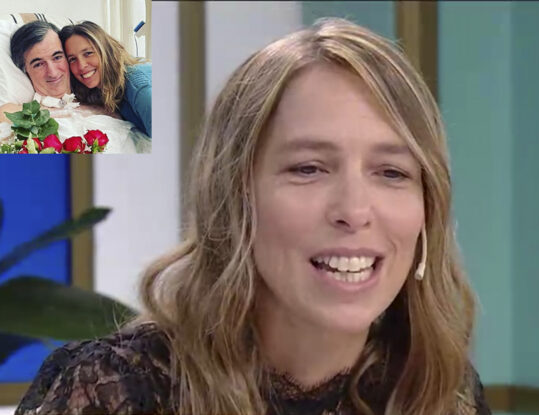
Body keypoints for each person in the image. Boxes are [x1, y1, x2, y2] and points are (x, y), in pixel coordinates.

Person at [15, 18, 490, 414]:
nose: (354, 211)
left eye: (391, 172)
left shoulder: (445, 392)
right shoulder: (111, 389)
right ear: (234, 194)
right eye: (308, 168)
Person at [59, 21, 152, 137]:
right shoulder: (100, 87)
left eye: (88, 53)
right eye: (72, 59)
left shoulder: (139, 87)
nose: (81, 65)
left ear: (106, 51)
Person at [0, 21, 73, 123]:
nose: (53, 73)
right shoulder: (16, 114)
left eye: (57, 57)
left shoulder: (93, 98)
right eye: (38, 64)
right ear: (25, 70)